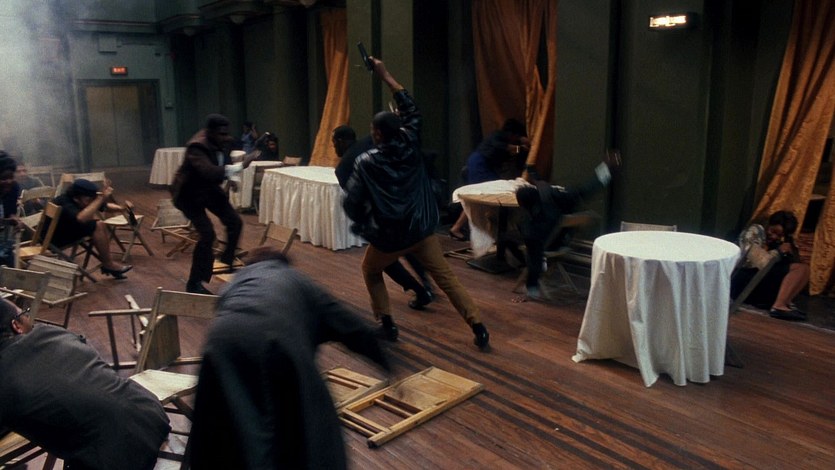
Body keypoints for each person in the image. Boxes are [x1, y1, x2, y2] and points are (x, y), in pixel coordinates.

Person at [187, 246, 390, 469]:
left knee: (223, 432)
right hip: (278, 342)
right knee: (311, 432)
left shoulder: (236, 281)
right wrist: (385, 361)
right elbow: (348, 323)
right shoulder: (296, 279)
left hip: (220, 343)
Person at [343, 57, 489, 349]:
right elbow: (411, 109)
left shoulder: (366, 162)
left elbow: (352, 203)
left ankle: (387, 324)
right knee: (447, 278)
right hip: (421, 230)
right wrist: (385, 74)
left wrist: (363, 224)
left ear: (377, 134)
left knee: (371, 270)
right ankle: (478, 327)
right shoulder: (411, 142)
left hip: (389, 238)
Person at [0, 298, 170, 470]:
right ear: (16, 325)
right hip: (148, 412)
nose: (29, 318)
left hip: (109, 456)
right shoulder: (51, 332)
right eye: (25, 314)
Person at [333, 125, 433, 309]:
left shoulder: (343, 168)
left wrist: (364, 223)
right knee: (409, 246)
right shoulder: (370, 140)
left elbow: (356, 200)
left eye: (334, 143)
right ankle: (426, 284)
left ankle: (419, 291)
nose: (334, 149)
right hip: (403, 205)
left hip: (381, 219)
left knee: (384, 261)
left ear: (340, 141)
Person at [514, 150, 621, 300]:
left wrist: (532, 286)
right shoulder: (559, 197)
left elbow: (534, 256)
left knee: (517, 241)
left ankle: (533, 287)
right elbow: (587, 188)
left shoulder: (531, 226)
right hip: (563, 243)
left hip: (546, 247)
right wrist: (606, 169)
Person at [172, 113, 243, 294]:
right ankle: (195, 282)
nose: (225, 137)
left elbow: (225, 161)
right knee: (207, 234)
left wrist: (233, 178)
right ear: (210, 132)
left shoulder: (224, 142)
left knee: (235, 222)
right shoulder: (196, 147)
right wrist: (240, 166)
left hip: (209, 189)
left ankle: (227, 260)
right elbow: (209, 171)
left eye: (226, 133)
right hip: (188, 195)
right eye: (221, 134)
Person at [449, 119, 530, 240]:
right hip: (480, 165)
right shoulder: (498, 136)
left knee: (481, 198)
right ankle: (458, 228)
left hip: (483, 165)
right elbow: (506, 148)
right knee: (480, 197)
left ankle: (463, 228)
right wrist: (521, 147)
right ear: (512, 134)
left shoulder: (504, 139)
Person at [731, 210, 811, 321]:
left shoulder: (776, 242)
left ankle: (785, 302)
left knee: (805, 269)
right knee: (799, 269)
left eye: (779, 235)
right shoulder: (755, 231)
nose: (774, 236)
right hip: (741, 279)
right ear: (769, 224)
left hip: (758, 279)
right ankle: (778, 306)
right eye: (773, 231)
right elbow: (754, 261)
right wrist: (778, 252)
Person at [51, 178, 133, 279]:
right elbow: (81, 218)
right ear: (77, 197)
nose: (90, 202)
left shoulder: (81, 198)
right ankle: (108, 264)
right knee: (98, 225)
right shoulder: (64, 201)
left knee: (99, 225)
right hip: (54, 237)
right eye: (88, 200)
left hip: (68, 228)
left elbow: (105, 206)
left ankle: (108, 264)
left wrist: (122, 208)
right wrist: (100, 198)